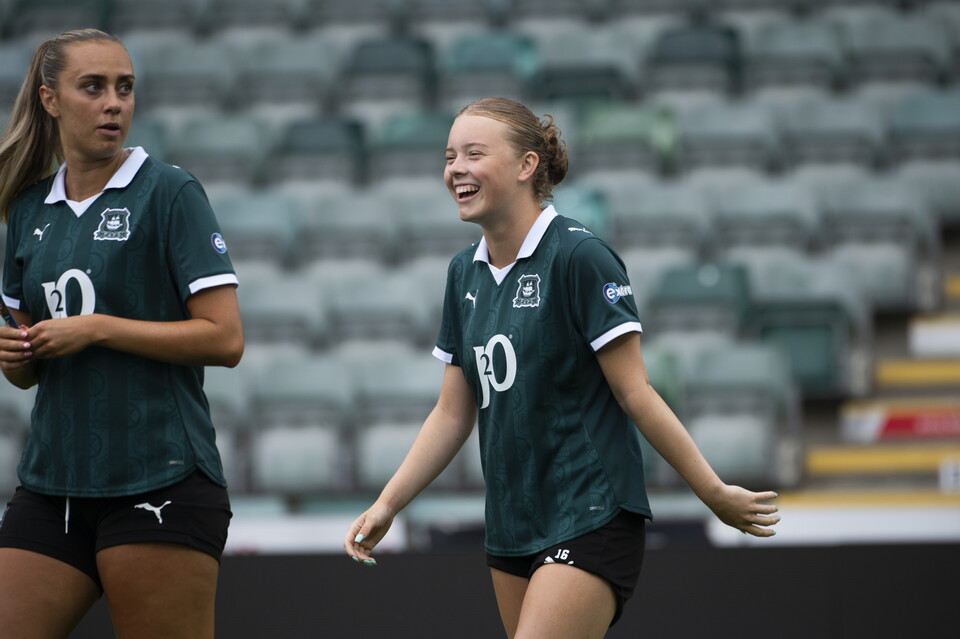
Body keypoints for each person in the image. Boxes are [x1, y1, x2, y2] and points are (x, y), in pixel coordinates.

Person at [343, 97, 780, 639]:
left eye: (474, 153)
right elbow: (453, 413)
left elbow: (637, 393)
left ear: (528, 165)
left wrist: (711, 491)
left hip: (592, 511)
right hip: (511, 523)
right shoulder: (462, 274)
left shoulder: (580, 256)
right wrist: (387, 503)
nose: (455, 168)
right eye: (450, 155)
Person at [0, 29, 243, 639]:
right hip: (52, 480)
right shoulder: (29, 209)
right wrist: (14, 355)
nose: (114, 103)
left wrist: (99, 329)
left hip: (159, 474)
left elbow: (225, 340)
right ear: (50, 99)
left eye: (125, 88)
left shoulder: (170, 191)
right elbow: (28, 370)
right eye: (94, 87)